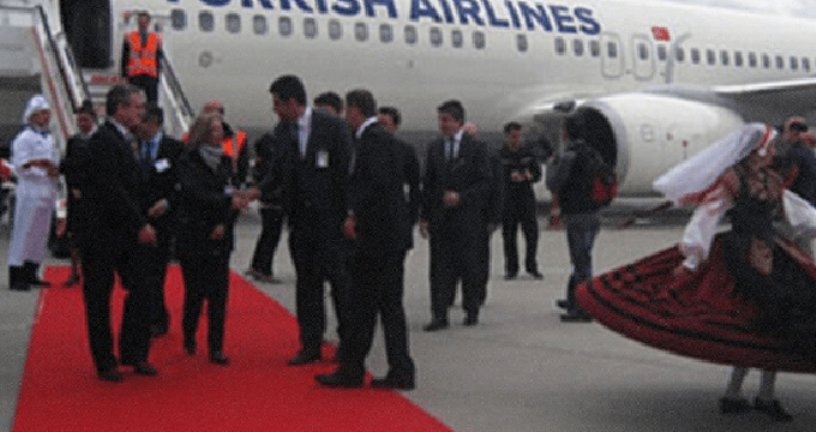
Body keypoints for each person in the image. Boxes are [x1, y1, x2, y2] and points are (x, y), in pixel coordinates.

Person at [577, 124, 816, 422]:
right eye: (770, 147)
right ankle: (736, 394)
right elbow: (707, 216)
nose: (774, 152)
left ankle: (761, 395)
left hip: (773, 251)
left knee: (777, 323)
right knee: (753, 321)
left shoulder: (772, 181)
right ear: (756, 150)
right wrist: (692, 258)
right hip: (741, 255)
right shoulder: (733, 180)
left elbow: (800, 214)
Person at [316, 89, 418, 389]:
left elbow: (375, 185)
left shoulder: (372, 141)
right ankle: (394, 369)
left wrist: (353, 214)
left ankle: (355, 370)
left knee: (365, 305)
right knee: (385, 306)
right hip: (389, 238)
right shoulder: (384, 140)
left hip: (377, 239)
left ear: (355, 110)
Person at [266, 75, 353, 365]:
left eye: (277, 104)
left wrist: (349, 214)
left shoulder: (333, 127)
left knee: (340, 284)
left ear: (292, 103)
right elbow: (277, 173)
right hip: (301, 222)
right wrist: (256, 191)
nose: (274, 110)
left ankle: (348, 342)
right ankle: (311, 343)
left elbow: (346, 172)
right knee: (307, 284)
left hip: (331, 221)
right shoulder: (282, 131)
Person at [78, 84, 158, 382]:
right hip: (102, 232)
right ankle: (105, 360)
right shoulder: (103, 141)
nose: (141, 113)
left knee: (142, 287)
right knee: (99, 298)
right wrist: (139, 224)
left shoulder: (129, 140)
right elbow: (112, 189)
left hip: (125, 232)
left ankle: (133, 351)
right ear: (120, 109)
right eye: (137, 107)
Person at [176, 112, 250, 366]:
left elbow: (233, 192)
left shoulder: (226, 162)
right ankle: (189, 334)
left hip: (220, 235)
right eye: (217, 131)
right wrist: (227, 201)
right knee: (195, 291)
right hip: (194, 233)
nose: (222, 136)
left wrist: (225, 221)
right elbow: (193, 193)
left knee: (219, 294)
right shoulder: (188, 161)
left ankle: (216, 346)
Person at [420, 100, 491, 331]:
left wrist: (462, 197)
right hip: (440, 218)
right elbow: (428, 184)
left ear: (458, 122)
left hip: (467, 218)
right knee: (439, 269)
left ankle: (471, 309)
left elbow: (485, 182)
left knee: (469, 266)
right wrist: (424, 216)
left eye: (446, 120)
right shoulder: (435, 148)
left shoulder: (476, 148)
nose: (442, 124)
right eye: (440, 120)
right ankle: (439, 314)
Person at [546, 113, 601, 322]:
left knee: (580, 261)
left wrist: (552, 164)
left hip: (577, 213)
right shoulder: (593, 153)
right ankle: (574, 298)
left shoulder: (570, 156)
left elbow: (553, 183)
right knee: (583, 257)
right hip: (593, 212)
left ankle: (583, 306)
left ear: (566, 133)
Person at [135, 104, 184, 336]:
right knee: (141, 271)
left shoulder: (174, 149)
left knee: (157, 271)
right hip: (138, 217)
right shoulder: (133, 146)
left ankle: (157, 317)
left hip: (163, 219)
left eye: (143, 121)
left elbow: (182, 183)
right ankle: (150, 314)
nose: (139, 126)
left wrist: (168, 202)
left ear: (154, 123)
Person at [7, 95, 60, 292]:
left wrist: (53, 170)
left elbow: (54, 160)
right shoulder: (24, 138)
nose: (46, 117)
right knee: (24, 232)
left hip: (46, 190)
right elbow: (20, 165)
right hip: (30, 189)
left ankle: (32, 270)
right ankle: (17, 273)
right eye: (42, 114)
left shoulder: (49, 138)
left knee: (40, 233)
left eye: (47, 113)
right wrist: (41, 168)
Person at [59, 100, 97, 287]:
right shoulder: (73, 141)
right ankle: (74, 271)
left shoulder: (99, 141)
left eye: (85, 120)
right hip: (76, 194)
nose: (82, 124)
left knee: (93, 235)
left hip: (94, 193)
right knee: (75, 235)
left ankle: (93, 271)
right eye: (80, 120)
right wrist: (73, 186)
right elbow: (67, 166)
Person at [499, 122, 542, 280]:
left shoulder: (528, 153)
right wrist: (508, 177)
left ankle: (531, 266)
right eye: (513, 136)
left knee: (532, 234)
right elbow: (495, 176)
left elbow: (537, 174)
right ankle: (511, 268)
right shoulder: (500, 155)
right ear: (507, 137)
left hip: (526, 198)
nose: (516, 140)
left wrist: (527, 176)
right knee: (509, 235)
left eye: (518, 136)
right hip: (508, 199)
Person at [245, 132, 285, 283]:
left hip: (266, 203)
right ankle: (265, 269)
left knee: (265, 236)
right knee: (271, 238)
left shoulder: (259, 164)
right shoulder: (271, 165)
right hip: (274, 203)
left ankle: (256, 265)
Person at [201, 100, 249, 188]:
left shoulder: (238, 138)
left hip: (227, 186)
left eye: (210, 114)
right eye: (205, 114)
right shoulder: (192, 138)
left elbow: (243, 167)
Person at [120, 11, 163, 104]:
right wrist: (124, 75)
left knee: (152, 103)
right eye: (140, 22)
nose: (142, 24)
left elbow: (158, 58)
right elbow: (125, 56)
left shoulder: (155, 38)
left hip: (150, 75)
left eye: (144, 22)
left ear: (148, 23)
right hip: (135, 75)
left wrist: (158, 76)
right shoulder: (130, 37)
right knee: (132, 101)